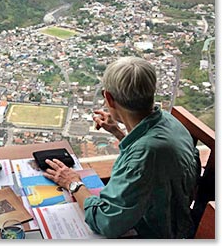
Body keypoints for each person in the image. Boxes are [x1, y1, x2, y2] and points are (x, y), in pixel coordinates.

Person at [43, 56, 200, 238]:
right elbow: (150, 165)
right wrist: (118, 132)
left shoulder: (146, 154)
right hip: (176, 219)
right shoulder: (169, 122)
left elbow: (106, 222)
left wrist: (73, 184)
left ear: (108, 98)